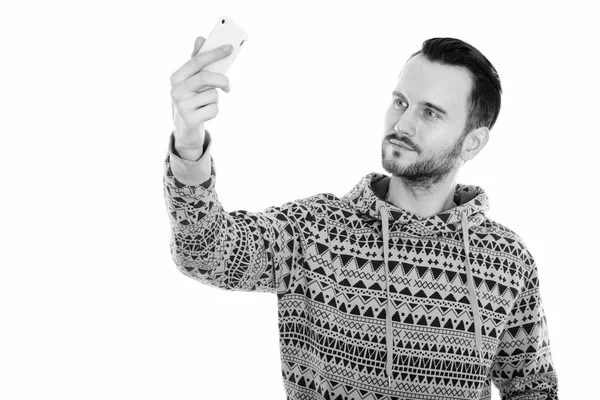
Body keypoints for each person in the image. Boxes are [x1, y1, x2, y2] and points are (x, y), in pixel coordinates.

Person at [164, 36, 559, 400]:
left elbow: (533, 389)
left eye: (431, 113)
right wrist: (187, 143)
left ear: (472, 142)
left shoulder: (507, 260)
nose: (402, 125)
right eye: (401, 102)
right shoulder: (316, 230)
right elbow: (207, 252)